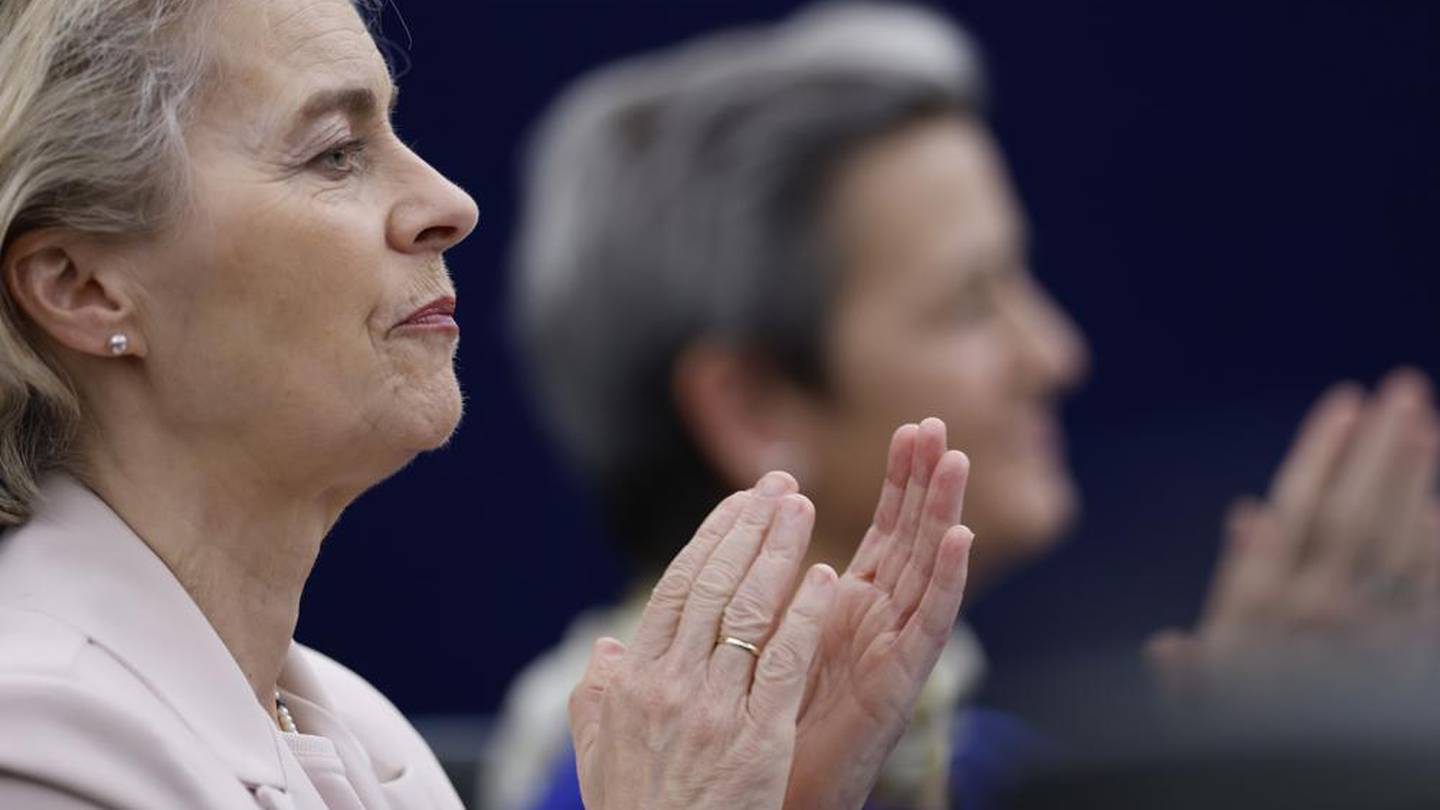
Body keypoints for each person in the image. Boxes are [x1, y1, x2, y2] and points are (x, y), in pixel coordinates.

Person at [0, 1, 980, 808]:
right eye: (335, 152)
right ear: (82, 288)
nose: (448, 200)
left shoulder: (358, 731)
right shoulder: (34, 736)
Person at [496, 3, 1440, 809]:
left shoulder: (988, 761)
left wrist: (1251, 757)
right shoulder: (598, 786)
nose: (1057, 355)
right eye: (969, 302)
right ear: (754, 405)